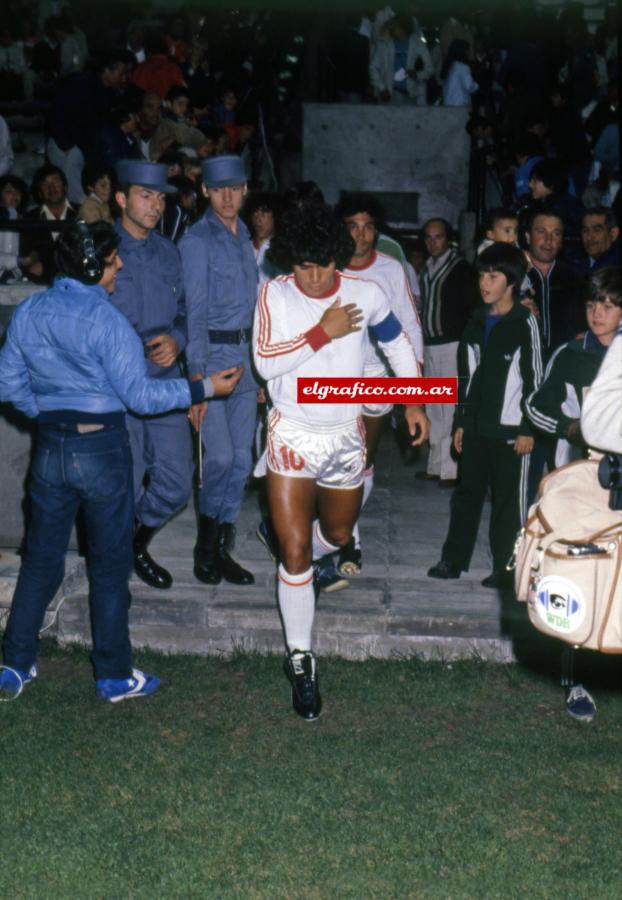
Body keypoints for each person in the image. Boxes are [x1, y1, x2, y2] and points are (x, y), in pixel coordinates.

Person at [0, 221, 241, 702]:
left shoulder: (30, 311)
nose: (121, 265)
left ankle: (13, 664)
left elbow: (7, 385)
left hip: (51, 449)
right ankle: (113, 675)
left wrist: (49, 414)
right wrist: (205, 388)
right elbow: (141, 397)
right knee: (109, 567)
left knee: (40, 560)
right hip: (102, 450)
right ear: (93, 267)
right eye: (113, 260)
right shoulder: (108, 321)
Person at [253, 203, 428, 720]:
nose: (313, 275)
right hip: (292, 432)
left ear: (338, 259)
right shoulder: (276, 292)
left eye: (323, 264)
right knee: (297, 551)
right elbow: (265, 361)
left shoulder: (366, 292)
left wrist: (414, 399)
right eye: (303, 264)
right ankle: (302, 661)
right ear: (291, 261)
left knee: (337, 534)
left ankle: (292, 547)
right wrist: (321, 332)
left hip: (344, 437)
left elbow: (396, 341)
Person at [526, 268, 622, 724]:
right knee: (576, 571)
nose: (598, 314)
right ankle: (574, 679)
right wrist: (569, 428)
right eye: (591, 305)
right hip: (580, 479)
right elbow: (534, 406)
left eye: (608, 305)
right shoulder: (571, 352)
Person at [428, 243, 542, 588]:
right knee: (466, 496)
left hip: (511, 432)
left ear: (512, 282)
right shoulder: (476, 320)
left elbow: (536, 379)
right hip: (477, 427)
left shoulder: (525, 323)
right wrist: (462, 422)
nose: (484, 282)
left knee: (509, 503)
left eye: (493, 276)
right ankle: (454, 559)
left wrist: (528, 427)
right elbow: (466, 377)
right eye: (481, 275)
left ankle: (508, 568)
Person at [110, 160, 191, 590]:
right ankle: (115, 569)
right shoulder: (104, 249)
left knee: (177, 480)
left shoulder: (168, 251)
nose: (156, 205)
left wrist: (178, 338)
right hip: (118, 380)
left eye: (161, 198)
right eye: (146, 195)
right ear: (121, 198)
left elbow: (183, 311)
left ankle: (133, 541)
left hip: (163, 375)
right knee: (125, 475)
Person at [336, 192, 425, 575]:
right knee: (337, 460)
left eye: (368, 226)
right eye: (353, 226)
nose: (361, 235)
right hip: (335, 376)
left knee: (363, 460)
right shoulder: (326, 266)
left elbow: (409, 327)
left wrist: (414, 394)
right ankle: (347, 540)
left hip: (376, 376)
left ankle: (342, 530)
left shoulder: (390, 269)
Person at [180, 155, 259, 587]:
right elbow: (193, 315)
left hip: (247, 363)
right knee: (221, 458)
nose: (228, 197)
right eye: (219, 189)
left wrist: (262, 371)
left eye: (235, 188)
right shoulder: (197, 241)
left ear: (245, 189)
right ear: (207, 191)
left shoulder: (245, 235)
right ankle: (204, 547)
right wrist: (196, 383)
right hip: (211, 361)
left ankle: (224, 550)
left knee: (242, 462)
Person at [419, 217, 474, 486]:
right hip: (430, 344)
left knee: (450, 407)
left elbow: (469, 307)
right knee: (433, 407)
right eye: (428, 238)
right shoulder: (426, 268)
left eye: (438, 237)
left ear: (448, 238)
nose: (432, 243)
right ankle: (435, 464)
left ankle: (451, 469)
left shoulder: (461, 268)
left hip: (452, 345)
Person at [580, 207, 620, 271]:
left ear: (613, 234)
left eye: (597, 230)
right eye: (585, 231)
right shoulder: (576, 267)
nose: (589, 238)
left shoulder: (616, 267)